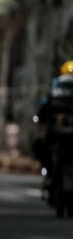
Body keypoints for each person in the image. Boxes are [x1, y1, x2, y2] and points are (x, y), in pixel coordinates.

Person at [32, 61, 73, 191]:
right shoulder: (52, 99)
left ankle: (49, 173)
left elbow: (41, 112)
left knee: (40, 145)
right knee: (40, 146)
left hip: (58, 134)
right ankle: (49, 172)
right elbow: (41, 113)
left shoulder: (52, 97)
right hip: (57, 135)